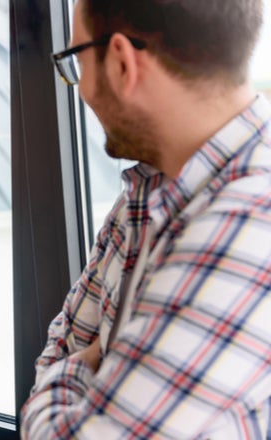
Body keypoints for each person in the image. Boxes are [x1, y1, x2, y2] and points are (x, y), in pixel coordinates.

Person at [22, 0, 271, 438]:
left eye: (76, 61)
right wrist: (81, 365)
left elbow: (66, 400)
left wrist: (78, 370)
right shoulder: (147, 191)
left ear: (120, 61)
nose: (78, 88)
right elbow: (61, 343)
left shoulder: (250, 218)